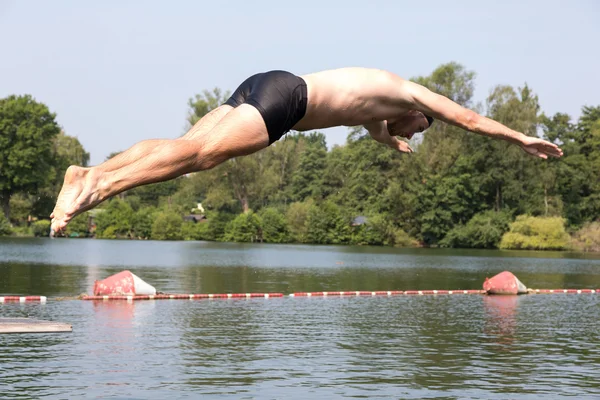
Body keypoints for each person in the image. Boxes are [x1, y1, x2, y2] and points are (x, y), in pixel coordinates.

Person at [49, 67, 563, 234]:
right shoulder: (410, 94)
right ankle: (100, 188)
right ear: (417, 111)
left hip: (268, 82)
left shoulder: (381, 111)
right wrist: (521, 138)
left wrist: (394, 142)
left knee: (186, 144)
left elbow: (381, 133)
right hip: (287, 103)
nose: (416, 129)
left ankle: (87, 173)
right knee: (201, 158)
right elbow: (470, 120)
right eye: (420, 127)